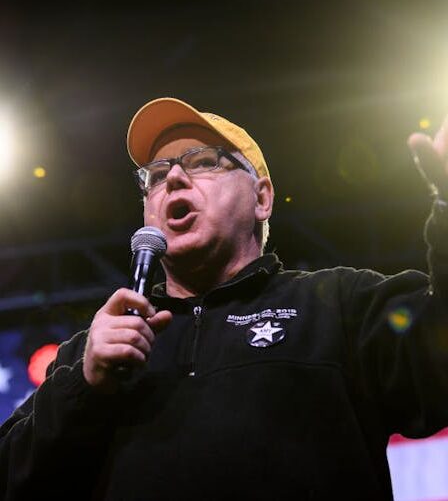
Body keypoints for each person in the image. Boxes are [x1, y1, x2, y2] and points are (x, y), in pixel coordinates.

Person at [1, 97, 448, 501]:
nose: (173, 177)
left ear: (262, 198)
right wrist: (83, 386)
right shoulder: (93, 353)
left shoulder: (340, 304)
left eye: (204, 161)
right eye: (155, 176)